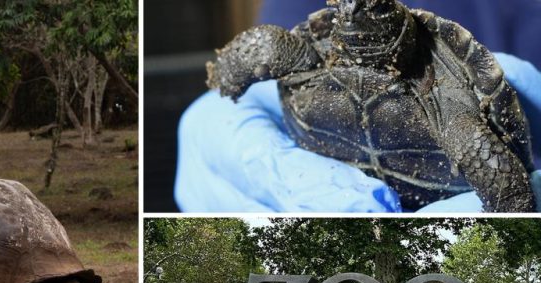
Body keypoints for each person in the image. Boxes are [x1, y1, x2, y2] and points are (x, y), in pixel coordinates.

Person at [175, 0, 541, 212]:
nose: (354, 11)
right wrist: (221, 97)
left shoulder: (444, 76)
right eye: (345, 6)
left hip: (451, 186)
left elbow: (484, 152)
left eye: (373, 6)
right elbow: (272, 43)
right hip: (325, 171)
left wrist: (512, 222)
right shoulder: (313, 49)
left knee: (480, 152)